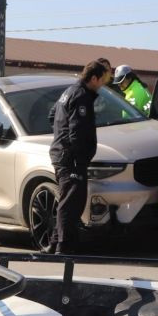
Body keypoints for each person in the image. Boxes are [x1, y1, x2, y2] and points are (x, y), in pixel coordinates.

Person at [48, 61, 107, 254]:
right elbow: (76, 131)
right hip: (70, 158)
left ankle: (56, 243)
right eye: (103, 79)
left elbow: (52, 116)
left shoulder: (69, 92)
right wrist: (78, 157)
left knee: (69, 199)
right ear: (93, 78)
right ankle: (64, 247)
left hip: (63, 154)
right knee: (71, 203)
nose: (103, 83)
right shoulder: (81, 96)